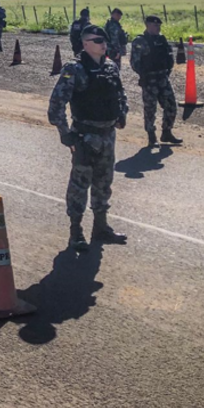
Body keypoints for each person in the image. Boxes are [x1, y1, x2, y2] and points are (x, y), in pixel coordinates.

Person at [49, 24, 129, 251]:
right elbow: (56, 104)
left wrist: (122, 113)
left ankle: (101, 228)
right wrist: (67, 135)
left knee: (104, 182)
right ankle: (76, 233)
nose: (103, 44)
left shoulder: (111, 67)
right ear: (85, 44)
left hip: (108, 134)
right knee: (79, 186)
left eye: (104, 40)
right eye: (97, 41)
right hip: (85, 136)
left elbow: (120, 94)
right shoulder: (74, 69)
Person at [130, 15, 182, 147]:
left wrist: (166, 72)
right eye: (154, 25)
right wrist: (144, 75)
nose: (157, 28)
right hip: (149, 80)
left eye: (159, 26)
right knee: (150, 109)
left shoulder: (162, 39)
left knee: (171, 106)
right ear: (147, 26)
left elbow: (169, 58)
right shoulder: (140, 41)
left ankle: (166, 132)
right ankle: (151, 136)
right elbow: (135, 62)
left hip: (163, 78)